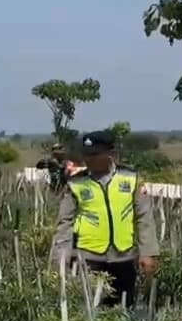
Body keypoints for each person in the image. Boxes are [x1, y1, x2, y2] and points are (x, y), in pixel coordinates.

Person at [52, 130, 158, 308]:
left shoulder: (130, 178)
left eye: (94, 155)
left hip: (124, 257)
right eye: (86, 155)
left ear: (110, 154)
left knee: (124, 310)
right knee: (91, 311)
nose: (88, 159)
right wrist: (61, 256)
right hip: (89, 259)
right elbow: (65, 222)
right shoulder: (76, 183)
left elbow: (144, 217)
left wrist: (148, 252)